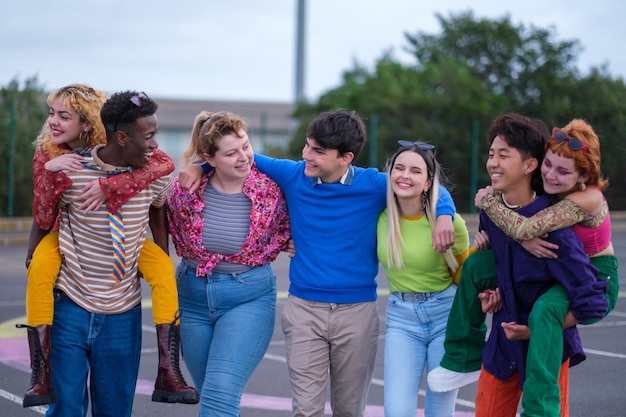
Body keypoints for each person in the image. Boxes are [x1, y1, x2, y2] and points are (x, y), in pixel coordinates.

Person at [178, 109, 458, 417]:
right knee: (306, 411)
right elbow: (238, 158)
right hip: (304, 313)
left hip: (357, 315)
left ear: (345, 158)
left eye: (318, 151)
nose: (306, 155)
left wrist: (444, 214)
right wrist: (199, 166)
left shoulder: (374, 184)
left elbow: (428, 185)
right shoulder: (293, 174)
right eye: (308, 145)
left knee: (349, 411)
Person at [19, 85, 197, 408]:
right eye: (149, 136)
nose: (155, 143)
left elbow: (159, 200)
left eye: (64, 116)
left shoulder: (152, 169)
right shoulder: (63, 164)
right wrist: (50, 175)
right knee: (66, 409)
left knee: (115, 410)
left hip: (122, 313)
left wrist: (111, 186)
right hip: (70, 304)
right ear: (122, 138)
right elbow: (42, 217)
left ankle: (169, 369)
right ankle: (40, 371)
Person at [427, 119, 619, 416]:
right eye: (492, 154)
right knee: (477, 264)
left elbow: (530, 228)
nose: (552, 174)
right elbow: (509, 246)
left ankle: (540, 410)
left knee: (545, 311)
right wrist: (493, 291)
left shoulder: (569, 214)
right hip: (506, 334)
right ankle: (460, 357)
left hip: (580, 291)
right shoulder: (518, 202)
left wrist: (488, 202)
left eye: (504, 155)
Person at [166, 111, 291, 416]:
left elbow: (305, 212)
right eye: (231, 153)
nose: (244, 157)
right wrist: (194, 168)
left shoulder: (271, 191)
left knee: (220, 392)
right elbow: (157, 214)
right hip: (192, 299)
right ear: (209, 157)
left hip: (247, 298)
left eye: (246, 146)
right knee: (213, 392)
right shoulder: (185, 191)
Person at [377, 141, 470, 417]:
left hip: (445, 316)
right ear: (390, 172)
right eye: (399, 168)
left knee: (440, 411)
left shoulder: (451, 224)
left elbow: (466, 276)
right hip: (402, 320)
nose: (405, 176)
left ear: (429, 183)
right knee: (396, 412)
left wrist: (444, 215)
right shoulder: (380, 217)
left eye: (415, 171)